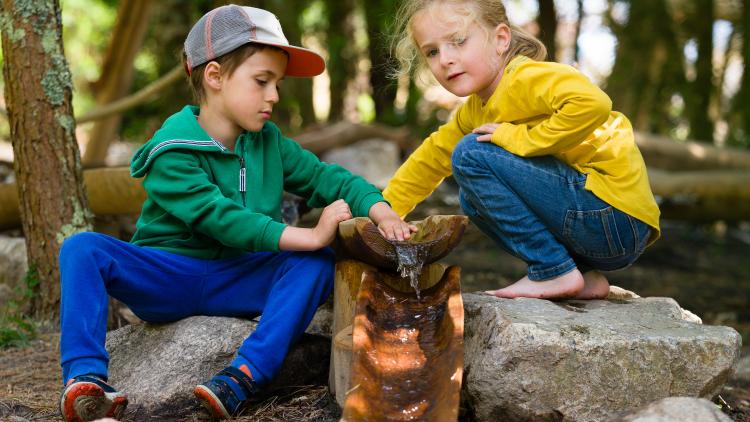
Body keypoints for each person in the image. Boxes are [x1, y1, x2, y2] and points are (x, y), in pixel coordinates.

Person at [58, 5, 415, 421]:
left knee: (316, 263)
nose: (274, 96)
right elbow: (221, 218)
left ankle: (242, 377)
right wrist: (309, 234)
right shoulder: (171, 150)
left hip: (237, 278)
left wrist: (380, 208)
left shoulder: (267, 141)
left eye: (277, 83)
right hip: (169, 277)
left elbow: (325, 178)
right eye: (262, 81)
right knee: (82, 248)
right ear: (213, 77)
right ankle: (86, 381)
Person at [383, 0, 660, 301]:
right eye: (432, 51)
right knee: (470, 196)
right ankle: (581, 275)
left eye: (459, 41)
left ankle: (552, 269)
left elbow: (593, 104)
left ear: (501, 39)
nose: (445, 59)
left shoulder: (527, 78)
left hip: (613, 214)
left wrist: (519, 138)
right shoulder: (476, 110)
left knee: (470, 154)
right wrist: (383, 212)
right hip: (603, 227)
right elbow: (432, 158)